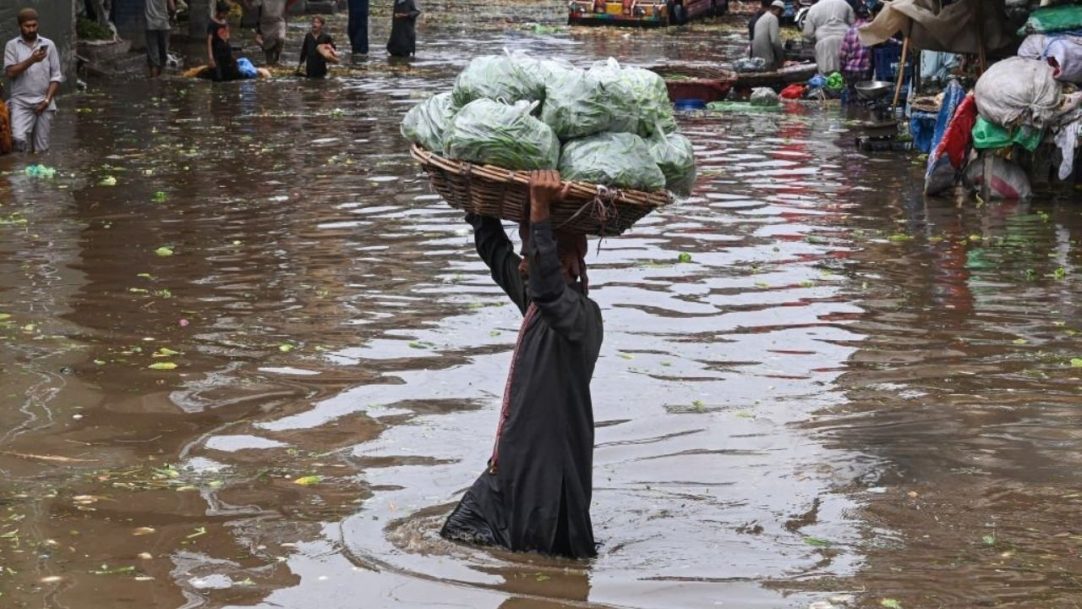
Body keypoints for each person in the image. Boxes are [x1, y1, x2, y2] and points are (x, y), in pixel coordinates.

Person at [441, 170, 603, 559]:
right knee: (459, 533)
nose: (524, 260)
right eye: (527, 247)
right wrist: (475, 196)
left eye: (533, 249)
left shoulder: (578, 317)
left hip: (549, 476)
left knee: (543, 560)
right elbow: (494, 250)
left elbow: (548, 286)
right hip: (511, 467)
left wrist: (540, 208)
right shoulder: (537, 302)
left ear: (571, 262)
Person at [3, 8, 62, 154]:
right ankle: (19, 176)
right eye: (27, 26)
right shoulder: (12, 45)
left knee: (41, 150)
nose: (31, 29)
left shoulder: (49, 45)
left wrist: (47, 100)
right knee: (17, 142)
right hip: (20, 103)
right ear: (20, 26)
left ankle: (36, 176)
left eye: (34, 25)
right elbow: (10, 72)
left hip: (44, 102)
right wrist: (32, 60)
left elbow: (56, 77)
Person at [802, 0, 853, 75]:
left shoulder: (814, 8)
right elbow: (853, 25)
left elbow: (808, 33)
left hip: (823, 43)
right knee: (845, 73)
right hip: (844, 41)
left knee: (827, 75)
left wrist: (816, 37)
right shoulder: (845, 4)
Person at [206, 1, 242, 81]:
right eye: (223, 13)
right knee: (218, 78)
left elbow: (227, 38)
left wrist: (231, 54)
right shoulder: (212, 24)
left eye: (226, 13)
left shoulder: (225, 22)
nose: (225, 15)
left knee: (229, 76)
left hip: (226, 53)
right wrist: (210, 58)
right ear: (218, 12)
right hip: (217, 54)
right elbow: (209, 41)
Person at [838, 5, 872, 87]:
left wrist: (842, 68)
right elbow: (886, 39)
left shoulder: (850, 31)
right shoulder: (871, 29)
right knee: (864, 95)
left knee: (852, 95)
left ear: (855, 15)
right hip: (865, 69)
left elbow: (842, 54)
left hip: (851, 69)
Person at [253, 0, 294, 66]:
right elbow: (255, 9)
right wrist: (258, 32)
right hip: (265, 24)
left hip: (279, 21)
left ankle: (277, 57)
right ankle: (270, 62)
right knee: (268, 53)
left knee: (281, 38)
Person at [145, 0, 176, 78]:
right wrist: (171, 18)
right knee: (163, 54)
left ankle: (154, 82)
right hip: (164, 25)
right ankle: (159, 79)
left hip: (150, 25)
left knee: (153, 55)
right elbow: (172, 8)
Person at [751, 0, 785, 70]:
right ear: (778, 10)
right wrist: (781, 58)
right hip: (767, 61)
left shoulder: (762, 18)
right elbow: (775, 41)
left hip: (756, 60)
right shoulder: (773, 18)